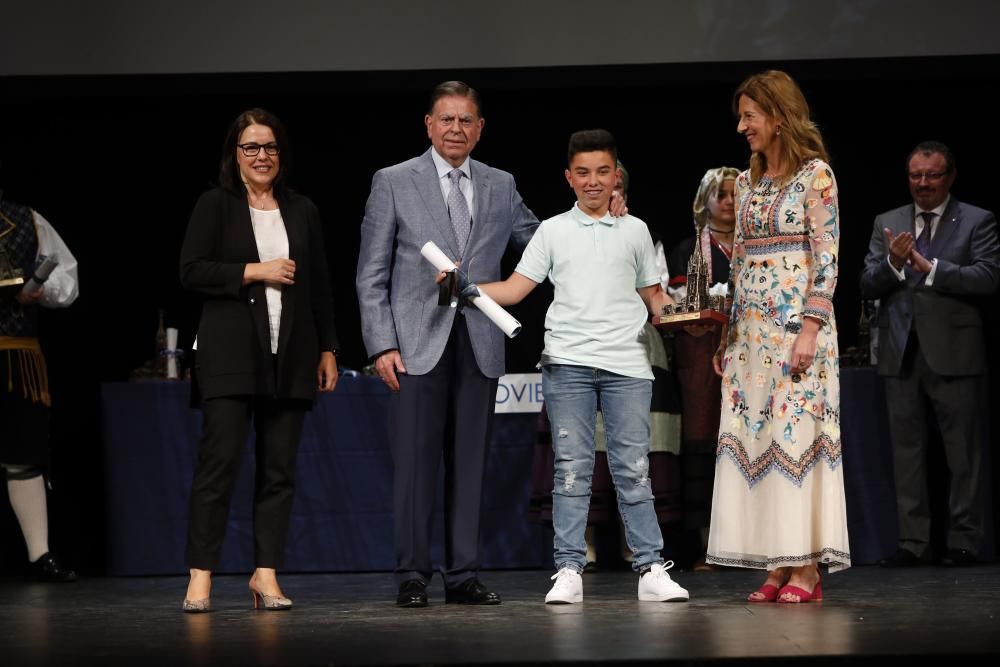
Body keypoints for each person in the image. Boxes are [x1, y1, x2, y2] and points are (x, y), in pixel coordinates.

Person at [461, 129, 689, 604]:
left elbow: (654, 298)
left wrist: (690, 313)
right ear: (569, 177)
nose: (593, 181)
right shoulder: (552, 230)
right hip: (568, 364)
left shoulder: (636, 230)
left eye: (602, 171)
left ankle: (651, 568)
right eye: (583, 172)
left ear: (616, 176)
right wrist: (466, 288)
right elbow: (516, 289)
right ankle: (568, 569)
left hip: (628, 364)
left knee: (633, 468)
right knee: (571, 467)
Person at [179, 108, 340, 612]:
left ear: (280, 154)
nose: (261, 156)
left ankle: (264, 574)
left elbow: (318, 286)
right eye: (251, 147)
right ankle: (201, 577)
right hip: (230, 355)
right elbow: (191, 270)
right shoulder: (215, 204)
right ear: (235, 154)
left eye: (269, 147)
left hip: (290, 354)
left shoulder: (302, 209)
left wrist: (329, 348)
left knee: (279, 470)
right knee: (218, 466)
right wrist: (255, 270)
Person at [706, 70, 850, 603]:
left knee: (798, 439)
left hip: (798, 333)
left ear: (778, 116)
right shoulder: (745, 184)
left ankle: (806, 568)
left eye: (750, 115)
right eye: (741, 116)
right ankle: (776, 563)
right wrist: (727, 341)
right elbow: (741, 261)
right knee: (758, 441)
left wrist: (810, 326)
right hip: (751, 339)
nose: (742, 126)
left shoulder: (817, 177)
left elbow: (827, 259)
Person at [860, 141, 1000, 567]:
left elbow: (988, 276)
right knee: (906, 454)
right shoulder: (889, 221)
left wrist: (931, 268)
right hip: (900, 353)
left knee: (963, 456)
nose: (922, 184)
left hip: (955, 353)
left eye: (932, 175)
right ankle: (913, 544)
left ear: (950, 177)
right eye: (915, 176)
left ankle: (964, 542)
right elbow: (867, 282)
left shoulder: (977, 220)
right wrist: (896, 266)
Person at [0, 187, 79, 582]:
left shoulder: (26, 219)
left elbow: (66, 276)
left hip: (14, 357)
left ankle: (40, 555)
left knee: (22, 455)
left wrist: (41, 289)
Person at [668, 167, 739, 570]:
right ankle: (706, 546)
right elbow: (679, 306)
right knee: (703, 443)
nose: (729, 202)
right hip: (699, 355)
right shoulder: (688, 250)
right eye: (721, 195)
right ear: (705, 200)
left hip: (745, 354)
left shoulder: (754, 245)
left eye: (734, 194)